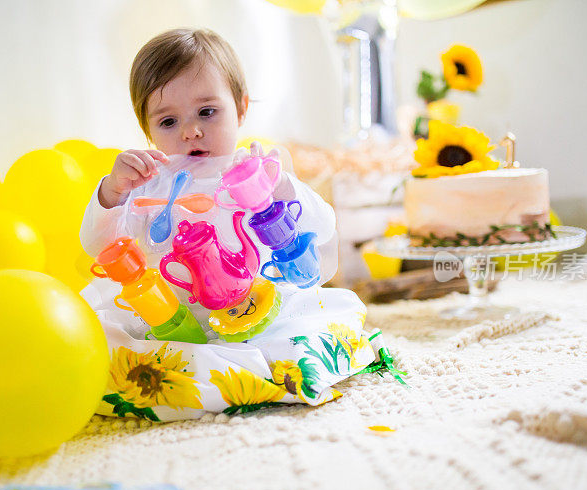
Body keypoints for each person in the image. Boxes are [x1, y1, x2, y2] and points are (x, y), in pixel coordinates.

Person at [79, 28, 388, 422]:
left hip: (259, 314)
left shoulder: (253, 169)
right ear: (147, 131)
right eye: (169, 121)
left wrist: (278, 185)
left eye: (207, 112)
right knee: (107, 346)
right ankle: (211, 379)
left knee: (306, 335)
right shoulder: (148, 184)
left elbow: (319, 225)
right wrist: (113, 191)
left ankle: (239, 376)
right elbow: (97, 245)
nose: (191, 130)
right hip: (172, 321)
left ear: (241, 109)